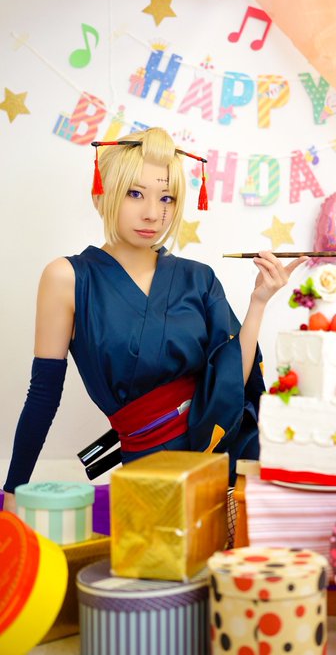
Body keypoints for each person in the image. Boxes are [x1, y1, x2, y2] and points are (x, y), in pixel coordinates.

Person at [3, 127, 305, 512]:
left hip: (220, 454)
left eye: (166, 198)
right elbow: (44, 395)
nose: (152, 213)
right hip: (149, 472)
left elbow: (231, 380)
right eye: (135, 193)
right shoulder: (68, 278)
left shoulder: (199, 278)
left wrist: (259, 302)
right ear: (102, 194)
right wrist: (13, 491)